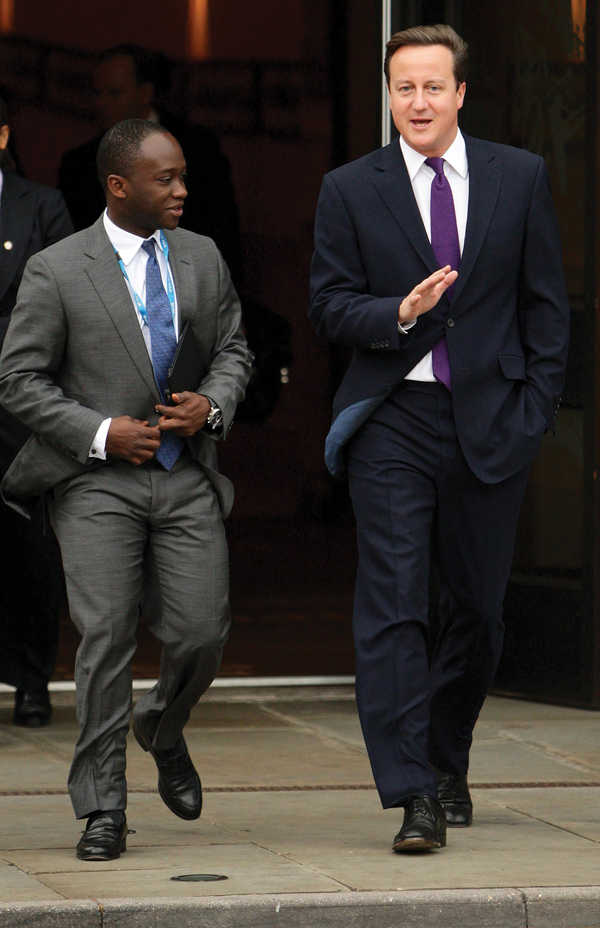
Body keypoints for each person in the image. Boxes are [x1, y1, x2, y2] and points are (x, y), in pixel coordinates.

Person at [309, 25, 569, 853]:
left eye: (431, 87)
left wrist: (534, 408)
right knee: (392, 608)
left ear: (461, 94)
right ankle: (414, 791)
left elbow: (545, 306)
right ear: (389, 99)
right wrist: (399, 314)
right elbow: (329, 305)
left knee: (479, 616)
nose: (415, 102)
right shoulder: (351, 188)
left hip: (493, 419)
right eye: (401, 89)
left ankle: (446, 757)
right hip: (395, 419)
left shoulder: (518, 176)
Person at [0, 118, 252, 861]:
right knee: (106, 637)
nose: (182, 189)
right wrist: (104, 432)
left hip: (186, 478)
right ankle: (102, 805)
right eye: (165, 179)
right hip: (95, 483)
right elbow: (17, 379)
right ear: (118, 186)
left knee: (202, 633)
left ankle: (162, 727)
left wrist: (212, 403)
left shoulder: (201, 256)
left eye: (181, 176)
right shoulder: (57, 268)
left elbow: (234, 348)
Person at [0, 93, 73, 727]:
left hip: (19, 403)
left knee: (30, 544)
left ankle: (30, 679)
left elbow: (61, 303)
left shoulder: (41, 205)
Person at [57, 44, 242, 286]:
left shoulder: (198, 150)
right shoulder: (79, 166)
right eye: (97, 93)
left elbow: (222, 235)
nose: (101, 103)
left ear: (145, 94)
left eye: (113, 93)